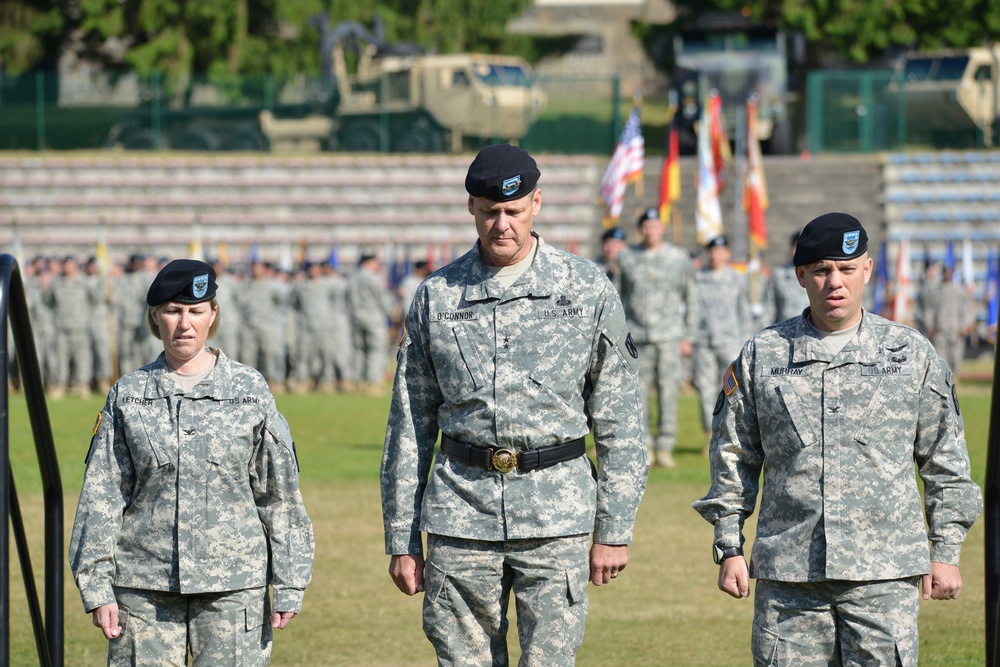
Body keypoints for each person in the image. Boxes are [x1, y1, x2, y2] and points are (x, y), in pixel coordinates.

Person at [380, 143, 648, 666]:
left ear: (537, 204)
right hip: (462, 514)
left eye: (513, 211)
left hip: (558, 515)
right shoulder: (437, 296)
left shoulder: (586, 288)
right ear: (472, 210)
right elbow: (409, 426)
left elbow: (619, 419)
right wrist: (401, 536)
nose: (502, 224)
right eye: (490, 212)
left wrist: (614, 530)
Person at [693, 212, 982, 666]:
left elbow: (945, 460)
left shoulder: (910, 355)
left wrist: (945, 550)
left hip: (884, 576)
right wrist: (729, 545)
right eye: (822, 270)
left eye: (847, 269)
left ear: (867, 270)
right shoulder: (763, 355)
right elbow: (733, 456)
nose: (835, 282)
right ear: (800, 275)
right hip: (790, 580)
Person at [69, 259, 315, 666]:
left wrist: (290, 581)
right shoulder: (129, 395)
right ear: (155, 317)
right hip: (144, 586)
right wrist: (96, 587)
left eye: (195, 311)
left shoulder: (249, 390)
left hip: (233, 587)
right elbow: (103, 495)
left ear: (212, 314)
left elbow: (279, 494)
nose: (184, 323)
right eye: (172, 310)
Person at [617, 207, 701, 468]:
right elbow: (616, 298)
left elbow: (692, 296)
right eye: (645, 226)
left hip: (668, 337)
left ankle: (665, 446)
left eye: (654, 226)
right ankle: (646, 447)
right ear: (639, 229)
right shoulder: (626, 257)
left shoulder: (678, 258)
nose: (650, 231)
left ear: (661, 229)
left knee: (667, 393)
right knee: (637, 395)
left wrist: (688, 334)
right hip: (636, 338)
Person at [692, 235, 752, 448]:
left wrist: (747, 341)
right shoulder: (698, 279)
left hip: (731, 342)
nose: (715, 255)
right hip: (704, 342)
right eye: (712, 251)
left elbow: (744, 312)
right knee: (705, 388)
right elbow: (692, 311)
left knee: (732, 389)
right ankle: (711, 433)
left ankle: (731, 433)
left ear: (727, 253)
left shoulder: (738, 279)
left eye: (720, 251)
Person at [925, 265, 975, 375]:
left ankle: (955, 380)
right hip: (940, 330)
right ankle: (943, 381)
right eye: (945, 272)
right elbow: (930, 310)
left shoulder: (959, 291)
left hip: (956, 330)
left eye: (949, 272)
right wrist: (930, 326)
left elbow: (965, 309)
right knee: (940, 358)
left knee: (955, 358)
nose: (947, 275)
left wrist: (965, 326)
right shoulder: (935, 291)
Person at [767, 229, 811, 324]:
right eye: (796, 246)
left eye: (804, 247)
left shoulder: (818, 273)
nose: (800, 251)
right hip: (785, 333)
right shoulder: (779, 274)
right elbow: (770, 307)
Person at [596, 226, 627, 292]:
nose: (611, 249)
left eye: (616, 245)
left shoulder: (630, 266)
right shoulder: (594, 267)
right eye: (608, 244)